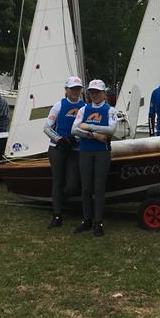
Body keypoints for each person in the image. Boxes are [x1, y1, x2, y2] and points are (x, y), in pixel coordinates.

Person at [71, 79, 117, 237]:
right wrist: (94, 135)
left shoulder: (110, 110)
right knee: (86, 188)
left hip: (101, 153)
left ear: (104, 93)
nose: (94, 95)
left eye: (97, 92)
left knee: (99, 188)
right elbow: (74, 130)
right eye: (91, 92)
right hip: (85, 151)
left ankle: (98, 221)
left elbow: (110, 130)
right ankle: (87, 220)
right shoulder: (83, 109)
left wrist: (89, 127)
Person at [43, 76, 85, 229]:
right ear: (66, 90)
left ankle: (60, 201)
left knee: (73, 184)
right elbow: (47, 127)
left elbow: (86, 127)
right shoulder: (59, 105)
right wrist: (60, 139)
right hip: (57, 148)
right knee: (57, 180)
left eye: (77, 88)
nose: (75, 91)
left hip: (75, 148)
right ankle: (57, 215)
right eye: (72, 88)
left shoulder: (84, 106)